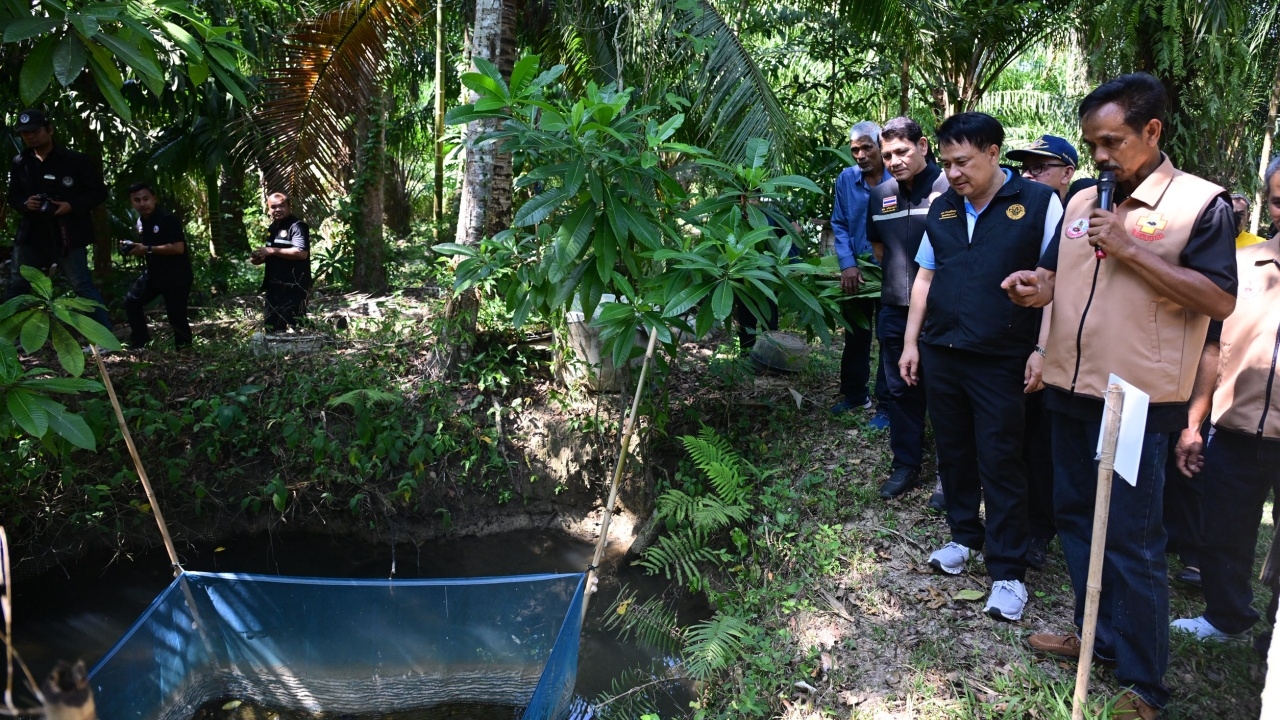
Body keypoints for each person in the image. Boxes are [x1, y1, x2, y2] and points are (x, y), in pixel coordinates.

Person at [1002, 73, 1238, 719]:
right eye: (1092, 143)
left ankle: (1145, 682)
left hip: (1137, 400)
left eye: (1112, 142)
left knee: (1132, 539)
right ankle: (1095, 638)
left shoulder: (1202, 205)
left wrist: (1132, 249)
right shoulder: (1081, 201)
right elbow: (1060, 278)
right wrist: (1036, 285)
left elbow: (1219, 298)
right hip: (1070, 388)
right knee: (1078, 520)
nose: (1100, 156)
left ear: (1152, 131)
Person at [899, 112, 1062, 621]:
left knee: (1001, 458)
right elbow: (925, 277)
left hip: (1001, 355)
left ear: (994, 152)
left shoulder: (1038, 203)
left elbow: (1055, 280)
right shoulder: (944, 207)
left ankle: (1008, 570)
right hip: (943, 350)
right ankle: (963, 536)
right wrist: (911, 343)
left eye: (963, 162)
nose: (953, 173)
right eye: (946, 163)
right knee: (954, 451)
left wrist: (1043, 349)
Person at [1168, 157, 1280, 648]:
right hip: (1234, 430)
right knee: (1223, 531)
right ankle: (1226, 616)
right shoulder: (1242, 266)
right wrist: (1194, 424)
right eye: (1279, 199)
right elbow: (1211, 349)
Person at [1006, 134, 1093, 569]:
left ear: (1067, 172)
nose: (1030, 174)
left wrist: (1042, 348)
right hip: (1013, 342)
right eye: (1026, 166)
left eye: (1041, 166)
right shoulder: (1019, 210)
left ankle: (1041, 530)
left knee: (1044, 444)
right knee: (1015, 438)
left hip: (1063, 352)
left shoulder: (1084, 215)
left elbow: (1058, 289)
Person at [866, 117, 949, 500]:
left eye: (902, 151)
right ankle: (906, 464)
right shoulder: (880, 193)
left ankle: (949, 476)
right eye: (888, 155)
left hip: (946, 312)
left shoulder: (950, 187)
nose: (895, 161)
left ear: (923, 146)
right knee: (900, 390)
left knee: (948, 395)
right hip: (895, 309)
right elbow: (879, 249)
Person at [5, 108, 111, 330]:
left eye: (35, 131)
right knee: (17, 285)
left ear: (49, 130)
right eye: (25, 133)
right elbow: (13, 196)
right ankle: (5, 337)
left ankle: (105, 336)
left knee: (82, 285)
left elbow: (98, 192)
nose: (30, 136)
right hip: (32, 234)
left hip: (68, 234)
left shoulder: (74, 160)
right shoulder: (20, 162)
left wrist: (71, 206)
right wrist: (26, 204)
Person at [830, 121, 891, 427]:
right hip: (856, 273)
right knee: (855, 334)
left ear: (881, 145)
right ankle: (855, 395)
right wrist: (847, 264)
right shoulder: (846, 179)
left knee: (888, 336)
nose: (861, 155)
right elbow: (839, 224)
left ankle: (887, 405)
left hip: (892, 272)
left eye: (867, 147)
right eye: (855, 149)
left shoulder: (900, 177)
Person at [121, 183, 192, 350]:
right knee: (132, 301)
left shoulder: (167, 219)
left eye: (146, 199)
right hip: (154, 274)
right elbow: (150, 244)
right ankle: (140, 343)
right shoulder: (141, 221)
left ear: (154, 199)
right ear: (132, 203)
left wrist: (147, 249)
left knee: (176, 316)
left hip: (176, 275)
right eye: (137, 200)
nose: (142, 203)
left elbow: (178, 247)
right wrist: (134, 247)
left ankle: (185, 352)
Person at [252, 193, 312, 331]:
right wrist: (260, 258)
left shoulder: (297, 226)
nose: (277, 210)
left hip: (294, 286)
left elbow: (301, 253)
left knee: (296, 326)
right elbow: (272, 253)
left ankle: (302, 351)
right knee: (272, 326)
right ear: (268, 209)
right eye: (273, 207)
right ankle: (274, 352)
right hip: (274, 286)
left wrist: (271, 251)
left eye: (281, 206)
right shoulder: (273, 227)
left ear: (289, 207)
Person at [1007, 134, 1098, 207]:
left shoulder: (1082, 218)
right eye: (1024, 169)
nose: (1025, 175)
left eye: (1037, 167)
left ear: (1066, 174)